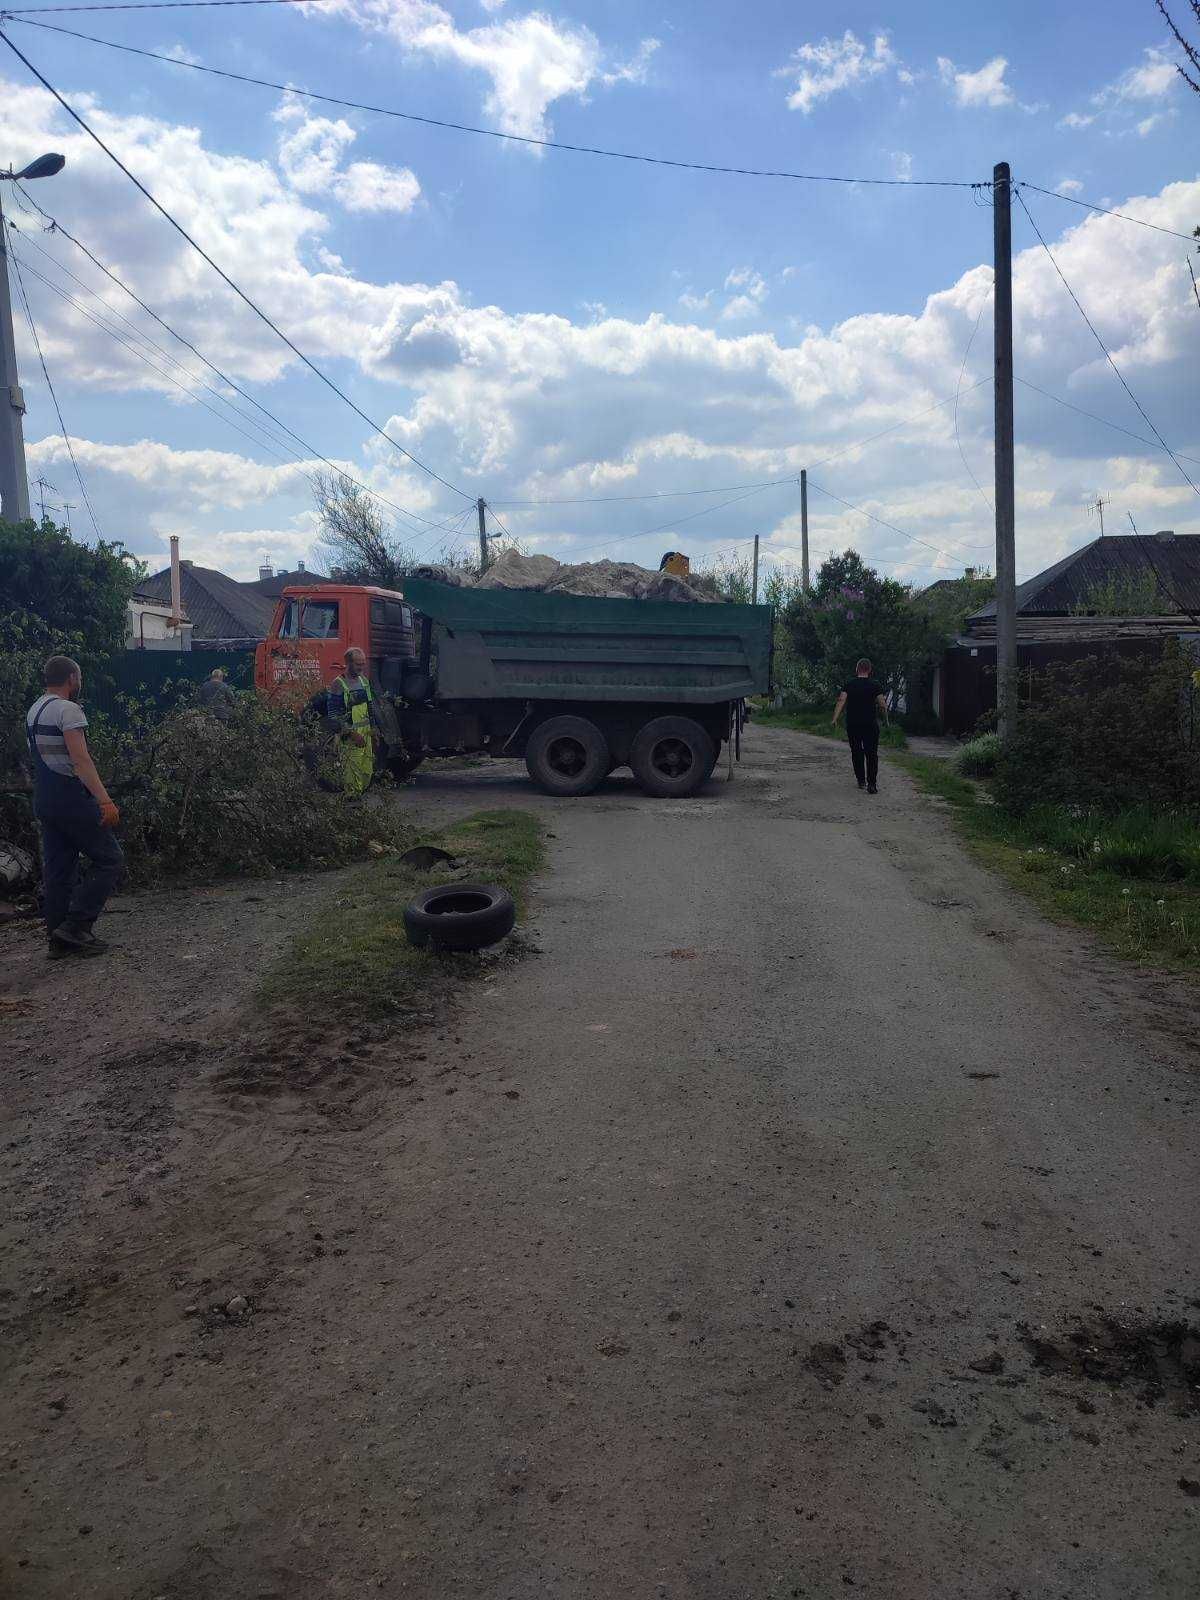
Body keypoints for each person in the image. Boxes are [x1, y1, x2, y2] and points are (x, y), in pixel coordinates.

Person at [25, 655, 124, 958]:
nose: (79, 683)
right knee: (110, 859)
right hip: (70, 797)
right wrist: (105, 800)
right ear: (71, 678)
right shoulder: (68, 710)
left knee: (59, 872)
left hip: (45, 797)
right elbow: (80, 760)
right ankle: (77, 925)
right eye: (78, 677)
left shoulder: (35, 709)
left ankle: (58, 942)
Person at [832, 657, 889, 794]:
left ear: (856, 669)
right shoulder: (875, 685)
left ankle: (861, 780)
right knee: (872, 754)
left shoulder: (849, 684)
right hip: (870, 724)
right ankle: (872, 784)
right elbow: (882, 705)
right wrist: (886, 720)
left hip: (853, 724)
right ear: (869, 670)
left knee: (856, 751)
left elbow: (841, 700)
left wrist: (834, 719)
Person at [326, 648, 377, 795]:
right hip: (350, 737)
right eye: (357, 664)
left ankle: (357, 803)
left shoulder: (364, 681)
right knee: (352, 777)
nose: (361, 667)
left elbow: (370, 706)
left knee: (366, 773)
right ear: (348, 663)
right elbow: (334, 716)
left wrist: (374, 730)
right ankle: (352, 805)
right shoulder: (338, 684)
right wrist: (351, 734)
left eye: (363, 664)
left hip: (366, 734)